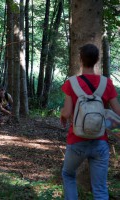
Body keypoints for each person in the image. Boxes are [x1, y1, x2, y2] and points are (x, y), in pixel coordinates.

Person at [60, 43, 120, 200]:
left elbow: (66, 112)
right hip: (100, 141)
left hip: (77, 140)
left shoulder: (71, 83)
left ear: (80, 60)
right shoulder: (106, 83)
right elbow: (117, 111)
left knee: (68, 174)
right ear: (97, 60)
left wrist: (63, 114)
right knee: (100, 188)